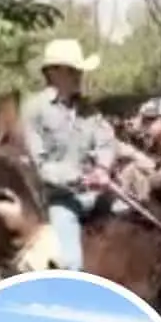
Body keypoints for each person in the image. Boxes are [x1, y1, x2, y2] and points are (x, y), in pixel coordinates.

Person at [21, 39, 116, 270]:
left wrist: (103, 168)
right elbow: (37, 164)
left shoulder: (88, 110)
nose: (78, 76)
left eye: (78, 71)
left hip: (96, 195)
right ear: (53, 73)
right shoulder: (34, 110)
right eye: (72, 71)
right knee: (70, 261)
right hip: (57, 198)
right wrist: (79, 178)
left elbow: (106, 141)